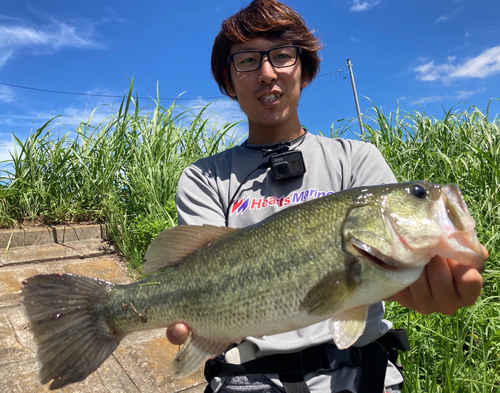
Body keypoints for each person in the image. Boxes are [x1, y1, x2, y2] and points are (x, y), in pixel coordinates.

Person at [167, 1, 487, 392]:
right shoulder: (203, 178)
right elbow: (193, 269)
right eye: (248, 61)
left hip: (364, 373)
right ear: (229, 82)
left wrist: (431, 279)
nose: (267, 73)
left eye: (282, 56)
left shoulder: (356, 160)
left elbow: (388, 277)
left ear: (304, 71)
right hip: (248, 377)